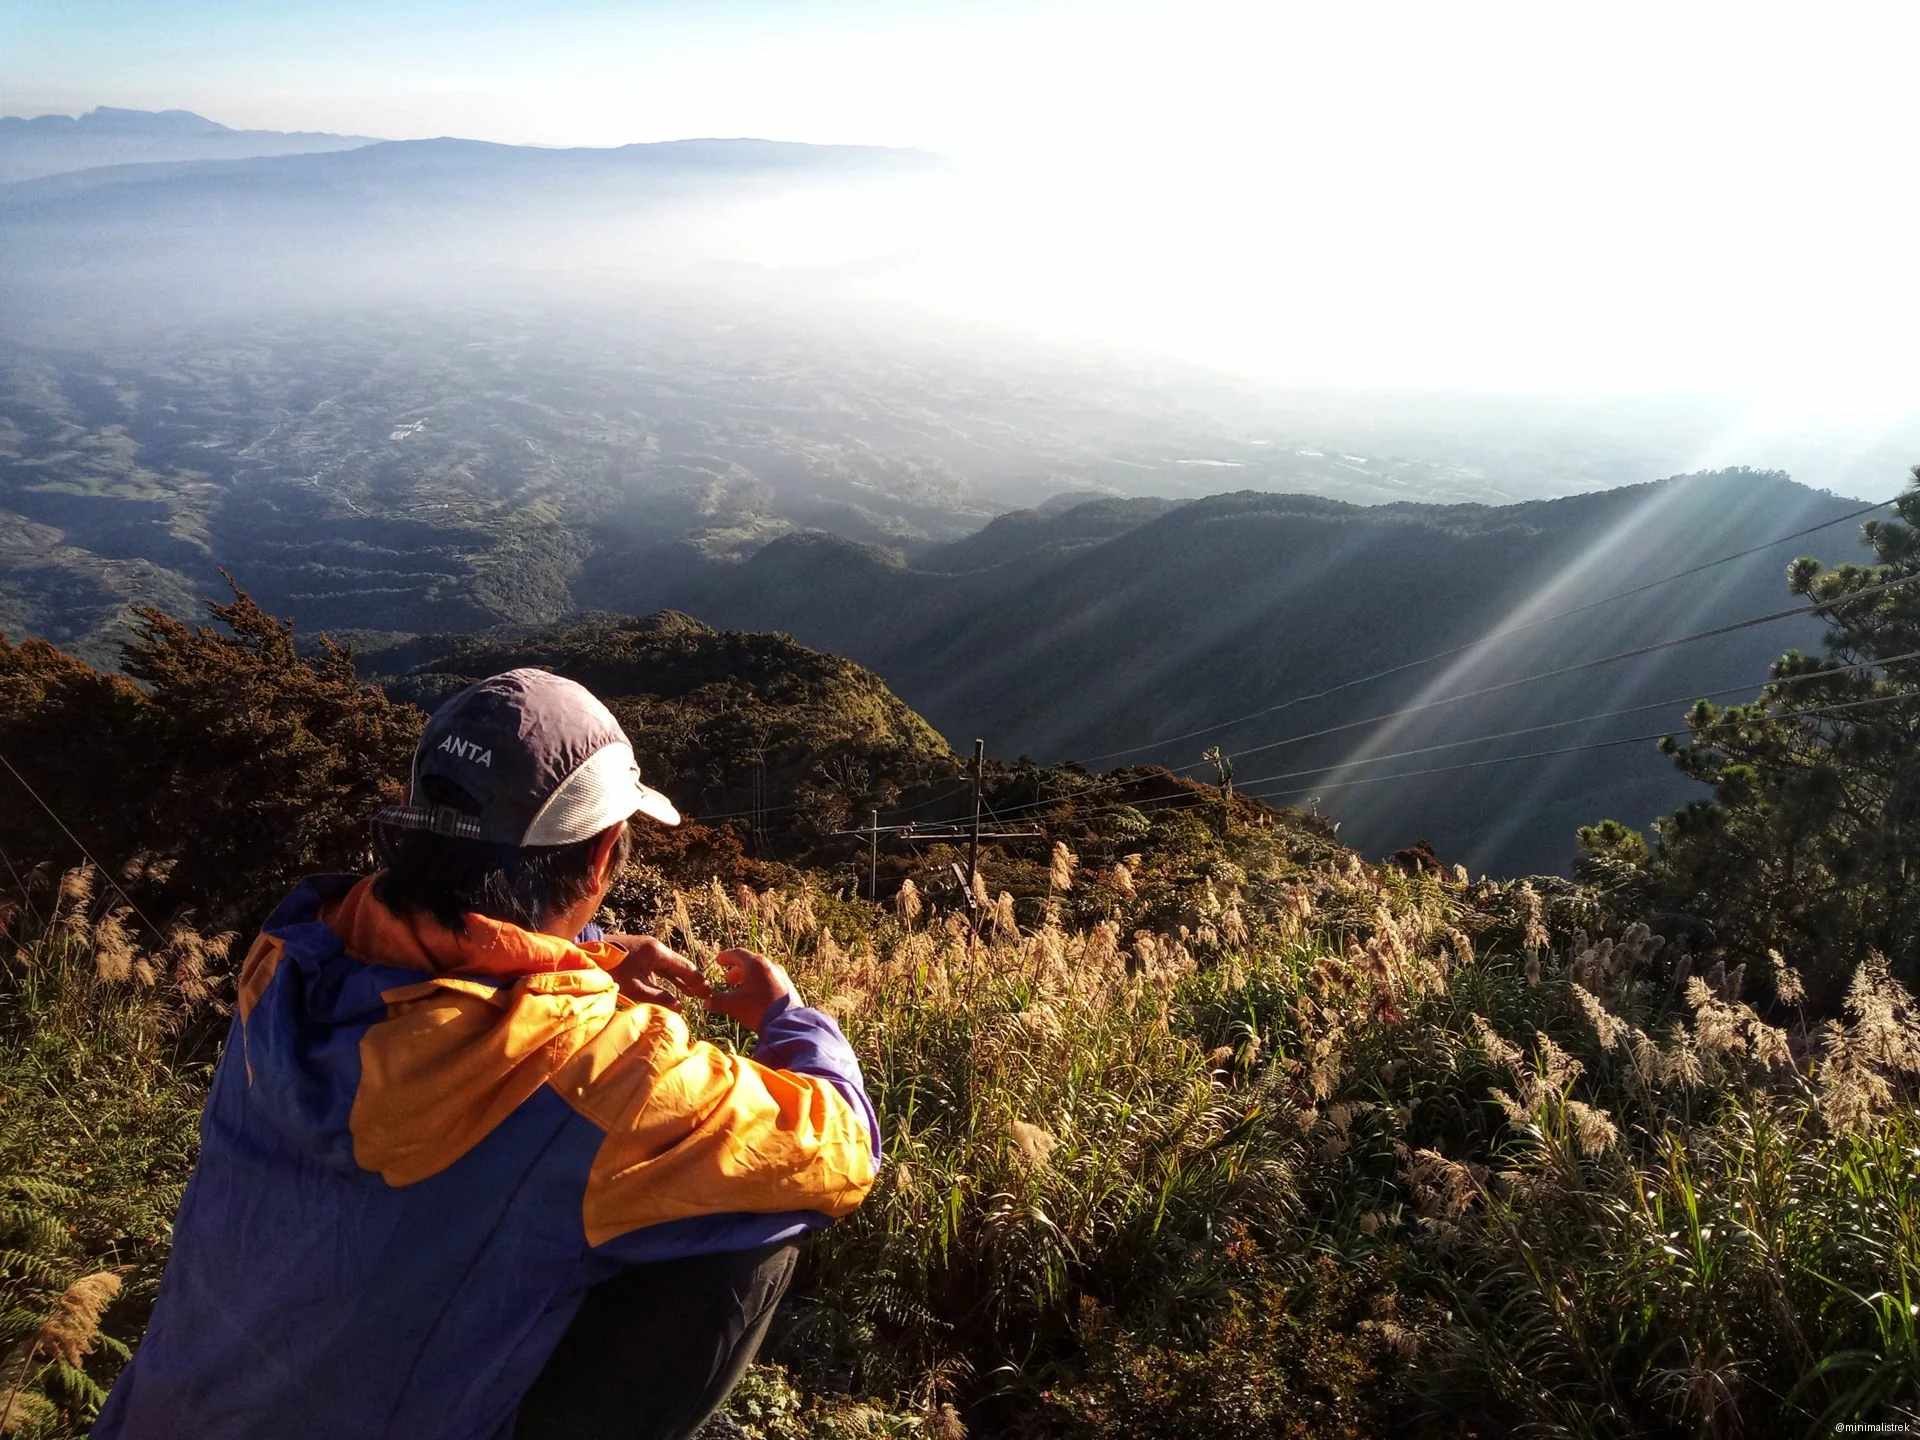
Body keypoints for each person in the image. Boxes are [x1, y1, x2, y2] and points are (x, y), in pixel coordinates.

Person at [94, 668, 880, 1440]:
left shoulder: (291, 961)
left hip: (154, 1415)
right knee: (756, 1229)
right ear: (604, 854)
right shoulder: (601, 1076)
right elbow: (843, 1148)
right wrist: (787, 1015)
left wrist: (593, 960)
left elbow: (444, 983)